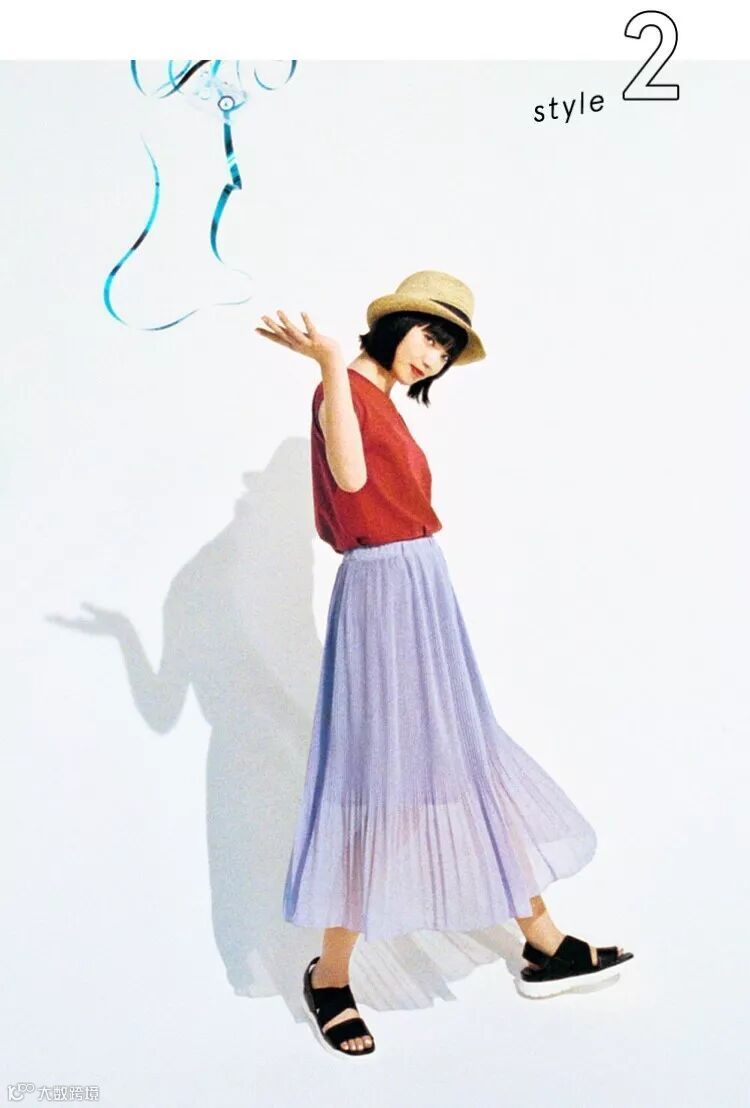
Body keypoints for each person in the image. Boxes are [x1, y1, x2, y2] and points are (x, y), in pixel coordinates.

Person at [255, 271, 633, 1059]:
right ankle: (331, 975)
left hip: (421, 587)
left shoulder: (383, 400)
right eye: (430, 337)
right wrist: (328, 361)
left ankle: (545, 943)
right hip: (381, 593)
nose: (433, 358)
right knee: (376, 778)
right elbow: (351, 482)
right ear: (396, 326)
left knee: (463, 758)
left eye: (447, 349)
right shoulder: (342, 391)